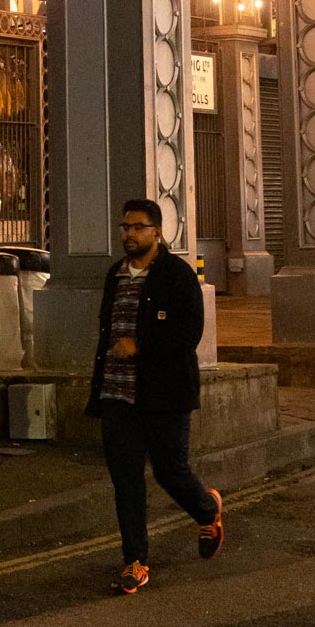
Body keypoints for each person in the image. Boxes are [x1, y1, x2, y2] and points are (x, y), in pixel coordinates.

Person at [88, 197, 224, 595]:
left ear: (158, 232)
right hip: (117, 394)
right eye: (125, 227)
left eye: (138, 227)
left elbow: (190, 333)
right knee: (126, 480)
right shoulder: (115, 274)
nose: (129, 234)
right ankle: (135, 561)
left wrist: (141, 345)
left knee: (169, 471)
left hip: (164, 394)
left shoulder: (177, 275)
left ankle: (207, 510)